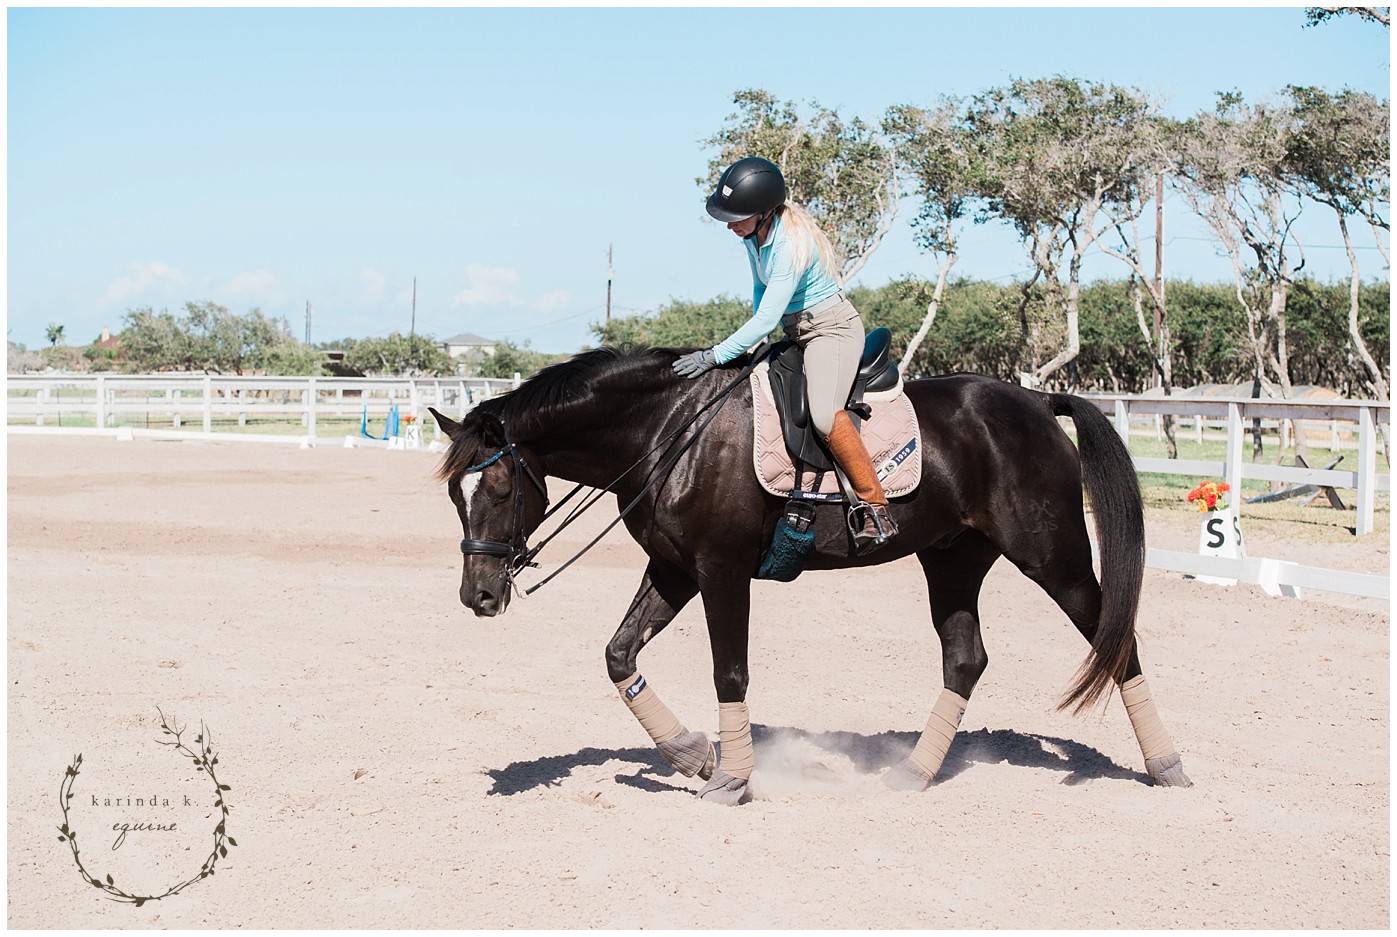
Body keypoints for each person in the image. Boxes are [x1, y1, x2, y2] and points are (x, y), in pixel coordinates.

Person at [674, 156, 898, 554]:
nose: (730, 224)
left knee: (825, 415)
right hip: (795, 330)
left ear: (764, 212)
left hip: (832, 329)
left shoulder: (792, 244)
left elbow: (765, 317)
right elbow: (761, 297)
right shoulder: (753, 237)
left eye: (737, 216)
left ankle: (874, 506)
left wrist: (715, 354)